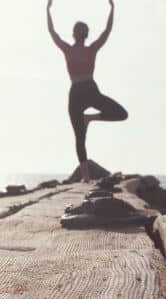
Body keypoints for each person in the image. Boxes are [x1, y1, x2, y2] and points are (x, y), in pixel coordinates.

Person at [47, 0, 128, 182]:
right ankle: (90, 119)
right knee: (121, 114)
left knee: (79, 136)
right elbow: (107, 31)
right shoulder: (91, 49)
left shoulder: (69, 50)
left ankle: (86, 177)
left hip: (78, 92)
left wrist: (48, 10)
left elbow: (52, 32)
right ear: (85, 35)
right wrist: (112, 8)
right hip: (89, 90)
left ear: (74, 34)